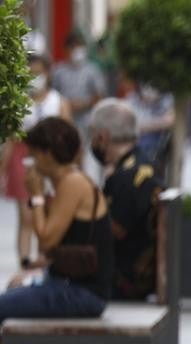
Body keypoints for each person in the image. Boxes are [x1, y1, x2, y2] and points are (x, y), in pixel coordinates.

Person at [0, 117, 112, 323]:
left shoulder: (73, 183)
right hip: (67, 283)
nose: (30, 160)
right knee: (12, 290)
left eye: (33, 154)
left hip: (82, 293)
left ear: (47, 154)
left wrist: (36, 196)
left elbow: (46, 241)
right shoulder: (66, 182)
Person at [88, 100, 163, 301]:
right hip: (139, 276)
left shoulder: (126, 176)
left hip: (122, 282)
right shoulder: (147, 163)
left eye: (92, 135)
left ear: (103, 137)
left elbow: (112, 230)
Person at [2, 55, 72, 272]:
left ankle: (44, 261)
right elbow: (10, 138)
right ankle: (24, 263)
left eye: (38, 73)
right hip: (23, 158)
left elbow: (68, 135)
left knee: (49, 212)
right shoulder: (19, 102)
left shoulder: (59, 102)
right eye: (30, 74)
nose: (34, 78)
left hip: (52, 159)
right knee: (26, 215)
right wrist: (3, 170)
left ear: (48, 73)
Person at [52, 31, 107, 138]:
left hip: (87, 122)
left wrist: (85, 103)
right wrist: (67, 105)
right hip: (65, 120)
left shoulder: (92, 70)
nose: (77, 50)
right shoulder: (58, 71)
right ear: (66, 50)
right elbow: (53, 95)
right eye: (73, 47)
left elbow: (100, 95)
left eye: (80, 46)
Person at [124, 83, 175, 168]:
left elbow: (169, 121)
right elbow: (125, 122)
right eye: (145, 85)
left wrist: (141, 126)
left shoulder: (165, 100)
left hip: (154, 148)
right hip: (132, 145)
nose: (149, 90)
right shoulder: (132, 99)